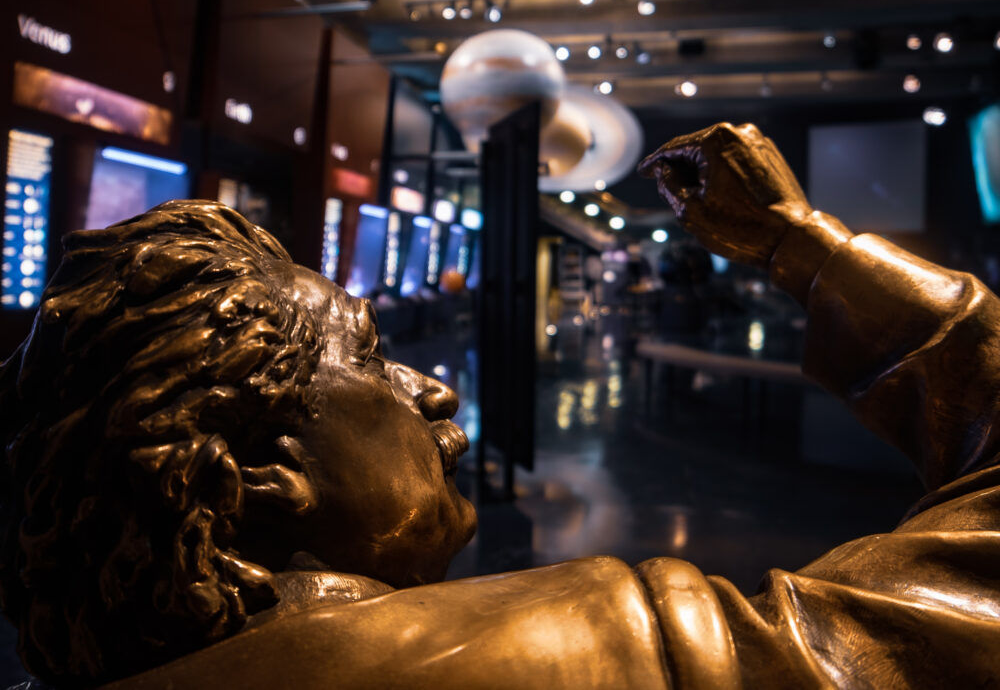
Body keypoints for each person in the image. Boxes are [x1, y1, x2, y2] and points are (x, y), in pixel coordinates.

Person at [2, 121, 1000, 689]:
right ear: (259, 472)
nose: (430, 385)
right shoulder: (586, 651)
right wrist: (802, 242)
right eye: (375, 358)